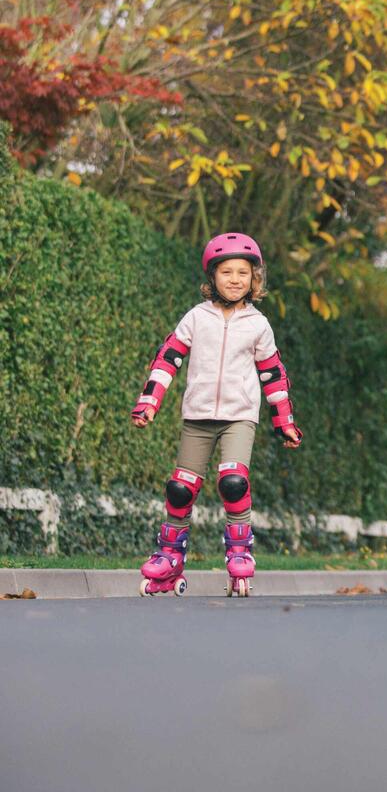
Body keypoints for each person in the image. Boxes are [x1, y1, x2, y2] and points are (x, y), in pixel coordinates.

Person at [131, 232, 302, 598]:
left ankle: (240, 553)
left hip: (239, 416)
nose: (235, 279)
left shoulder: (258, 324)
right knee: (180, 488)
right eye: (227, 271)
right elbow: (168, 359)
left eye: (243, 272)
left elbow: (272, 374)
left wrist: (283, 421)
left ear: (254, 279)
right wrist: (149, 402)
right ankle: (169, 556)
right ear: (213, 277)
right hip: (197, 415)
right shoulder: (196, 316)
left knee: (233, 481)